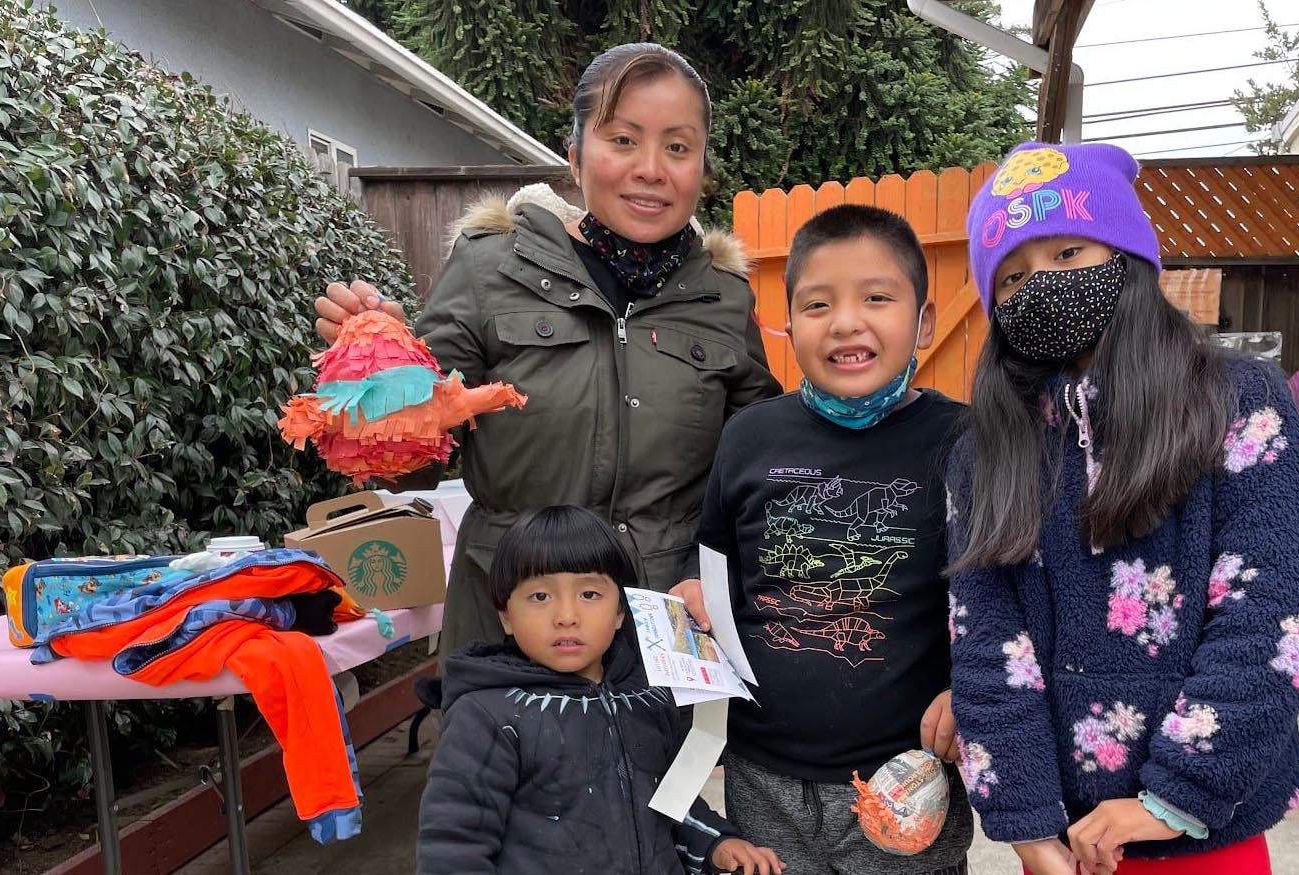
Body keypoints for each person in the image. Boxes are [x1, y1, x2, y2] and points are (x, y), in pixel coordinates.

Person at [313, 43, 782, 658]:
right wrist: (387, 376)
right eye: (622, 140)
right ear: (575, 155)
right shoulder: (488, 270)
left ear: (701, 167)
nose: (651, 168)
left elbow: (762, 473)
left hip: (666, 635)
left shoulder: (723, 298)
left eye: (677, 147)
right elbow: (415, 462)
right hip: (508, 627)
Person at [944, 142, 1299, 875]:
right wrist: (1027, 829)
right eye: (1014, 276)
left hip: (1210, 831)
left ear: (1128, 254)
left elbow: (1271, 617)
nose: (1042, 284)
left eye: (1068, 251)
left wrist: (1170, 798)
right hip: (1062, 845)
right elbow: (988, 644)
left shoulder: (1238, 401)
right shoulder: (986, 449)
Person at [673, 205, 974, 875]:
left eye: (876, 297)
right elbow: (714, 559)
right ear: (790, 325)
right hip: (760, 776)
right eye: (817, 303)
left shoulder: (966, 443)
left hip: (908, 778)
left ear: (923, 320)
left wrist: (972, 685)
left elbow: (1001, 593)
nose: (845, 321)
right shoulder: (749, 437)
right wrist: (693, 589)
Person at [415, 506, 784, 875]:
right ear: (506, 616)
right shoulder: (487, 715)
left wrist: (717, 842)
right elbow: (453, 848)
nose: (566, 616)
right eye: (540, 597)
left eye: (589, 594)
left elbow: (672, 800)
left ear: (622, 611)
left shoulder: (647, 697)